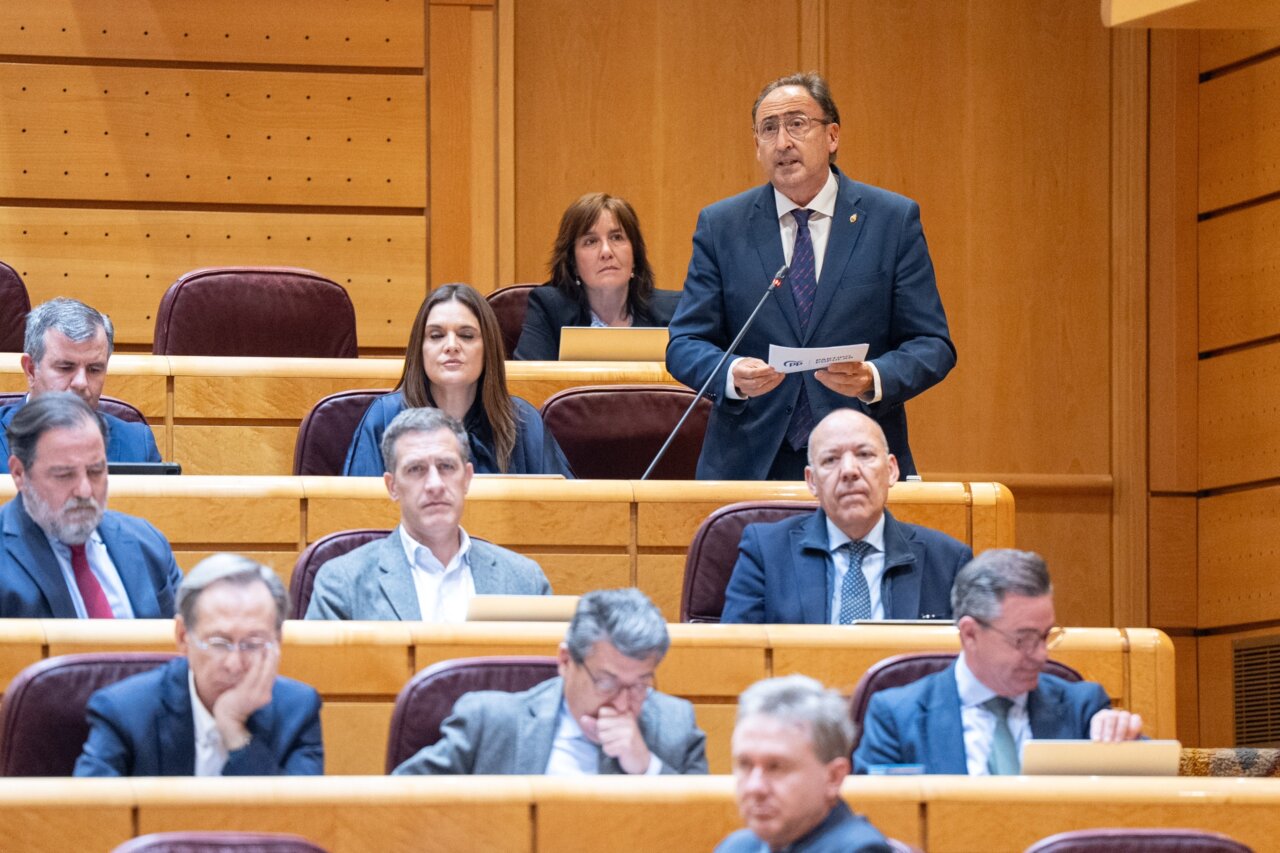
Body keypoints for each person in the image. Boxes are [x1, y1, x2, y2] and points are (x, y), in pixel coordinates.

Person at [666, 72, 955, 481]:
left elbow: (932, 344)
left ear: (832, 136)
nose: (782, 142)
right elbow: (684, 343)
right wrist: (731, 373)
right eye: (769, 129)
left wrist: (872, 376)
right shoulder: (721, 225)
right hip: (748, 462)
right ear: (757, 146)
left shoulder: (891, 220)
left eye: (797, 124)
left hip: (857, 456)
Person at [853, 549, 1144, 775]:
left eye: (1045, 636)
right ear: (970, 633)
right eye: (1024, 639)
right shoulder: (897, 717)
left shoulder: (1082, 710)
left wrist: (1124, 741)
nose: (1041, 654)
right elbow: (878, 823)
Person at [393, 588, 708, 775]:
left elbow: (708, 831)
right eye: (607, 682)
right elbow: (395, 808)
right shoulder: (491, 723)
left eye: (640, 684)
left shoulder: (675, 726)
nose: (624, 703)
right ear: (566, 661)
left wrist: (647, 768)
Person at [74, 554, 323, 776]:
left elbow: (291, 821)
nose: (234, 664)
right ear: (183, 636)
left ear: (277, 641)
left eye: (253, 643)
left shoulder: (297, 712)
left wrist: (235, 731)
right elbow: (90, 824)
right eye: (219, 642)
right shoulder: (125, 712)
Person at [721, 408, 970, 624]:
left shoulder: (948, 561)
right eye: (831, 459)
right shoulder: (765, 552)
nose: (849, 471)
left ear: (892, 471)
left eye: (864, 455)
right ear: (812, 481)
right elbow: (737, 659)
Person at [308, 407, 552, 621]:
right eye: (416, 469)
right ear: (392, 486)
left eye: (446, 467)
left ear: (467, 478)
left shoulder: (524, 581)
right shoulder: (343, 585)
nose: (435, 484)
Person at [343, 283, 573, 477]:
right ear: (419, 349)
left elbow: (561, 513)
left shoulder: (522, 423)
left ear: (487, 349)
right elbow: (357, 516)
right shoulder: (383, 418)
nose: (451, 345)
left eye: (466, 335)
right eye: (436, 336)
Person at [0, 392, 181, 618]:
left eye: (95, 472)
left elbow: (188, 644)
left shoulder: (148, 544)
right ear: (19, 474)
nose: (85, 491)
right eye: (64, 475)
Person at [719, 675, 890, 853]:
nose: (755, 787)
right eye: (745, 765)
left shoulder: (859, 849)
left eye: (776, 767)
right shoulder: (737, 847)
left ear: (833, 777)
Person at [513, 192, 682, 360]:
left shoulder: (672, 312)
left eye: (616, 237)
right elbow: (527, 382)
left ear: (635, 255)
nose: (606, 252)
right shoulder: (549, 309)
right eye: (591, 241)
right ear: (573, 263)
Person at [0, 298, 161, 463]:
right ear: (31, 369)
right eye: (65, 367)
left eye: (94, 369)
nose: (81, 383)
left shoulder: (138, 445)